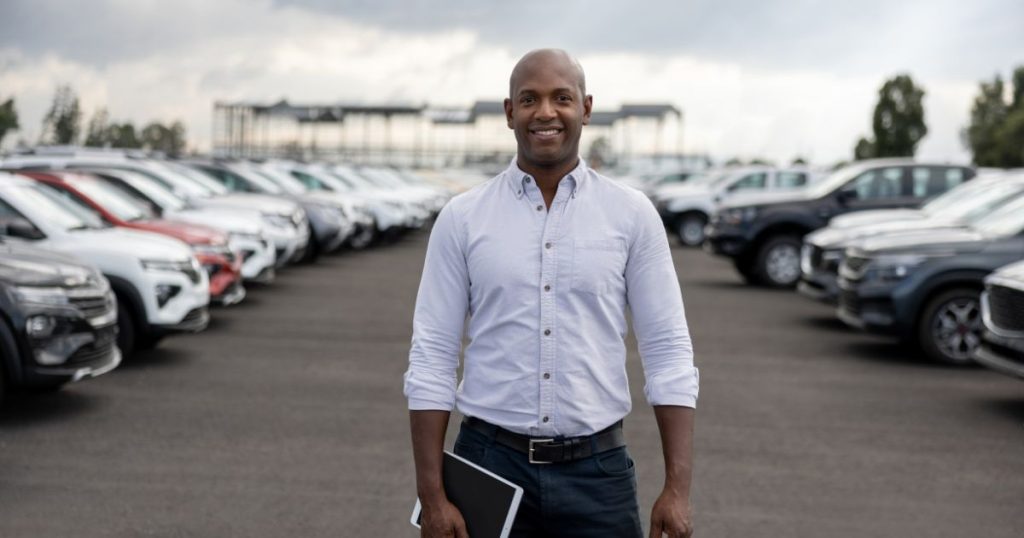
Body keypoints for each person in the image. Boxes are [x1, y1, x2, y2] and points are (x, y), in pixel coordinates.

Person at [405, 48, 698, 538]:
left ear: (585, 108)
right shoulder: (463, 218)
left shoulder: (631, 215)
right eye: (529, 99)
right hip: (488, 467)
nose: (545, 112)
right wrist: (431, 495)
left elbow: (667, 350)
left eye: (561, 98)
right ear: (508, 112)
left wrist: (678, 488)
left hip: (598, 477)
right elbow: (432, 355)